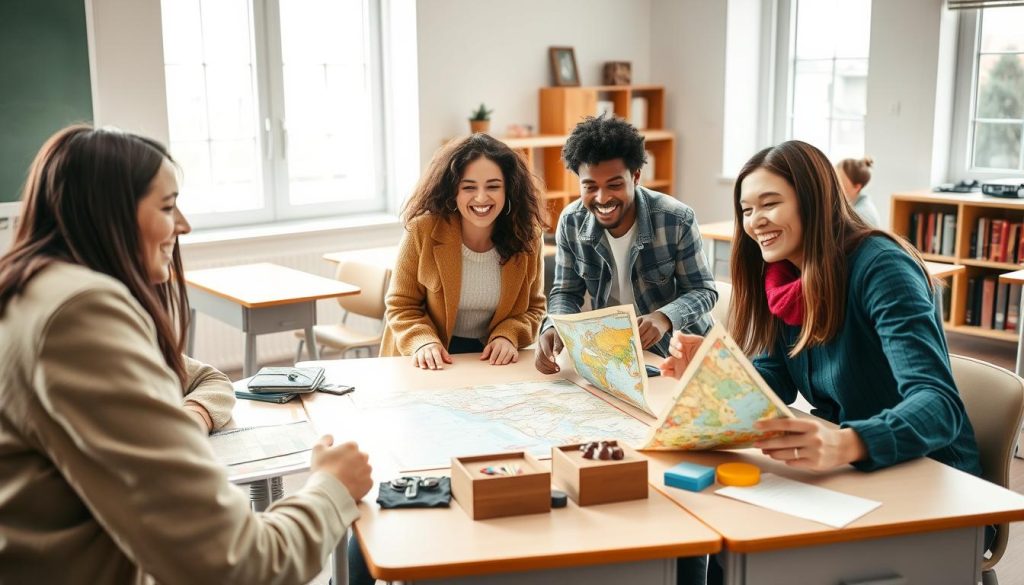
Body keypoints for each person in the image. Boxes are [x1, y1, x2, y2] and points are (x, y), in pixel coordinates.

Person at [0, 125, 373, 583]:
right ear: (110, 213)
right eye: (167, 206)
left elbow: (196, 378)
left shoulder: (32, 293)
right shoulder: (81, 313)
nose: (184, 225)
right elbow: (235, 564)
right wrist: (331, 486)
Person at [662, 140, 987, 582]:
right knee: (724, 538)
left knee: (749, 551)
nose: (755, 221)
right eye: (745, 209)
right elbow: (774, 378)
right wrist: (716, 376)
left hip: (929, 480)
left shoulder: (882, 269)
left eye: (770, 203)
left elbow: (938, 404)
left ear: (814, 201)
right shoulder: (780, 276)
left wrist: (847, 443)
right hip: (845, 472)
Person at [535, 115, 717, 375]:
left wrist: (664, 317)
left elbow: (703, 290)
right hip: (620, 357)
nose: (602, 197)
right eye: (590, 186)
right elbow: (566, 292)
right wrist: (554, 326)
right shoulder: (571, 222)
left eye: (615, 184)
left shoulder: (676, 218)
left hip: (682, 355)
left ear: (636, 176)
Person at [380, 133, 547, 370]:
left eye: (493, 186)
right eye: (469, 187)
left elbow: (534, 308)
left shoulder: (528, 236)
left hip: (492, 361)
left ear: (508, 190)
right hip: (427, 361)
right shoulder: (422, 230)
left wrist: (508, 335)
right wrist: (422, 342)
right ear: (453, 191)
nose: (481, 197)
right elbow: (401, 305)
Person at [836, 156, 881, 228]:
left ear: (857, 187)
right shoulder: (854, 204)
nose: (835, 184)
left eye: (839, 181)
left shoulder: (861, 215)